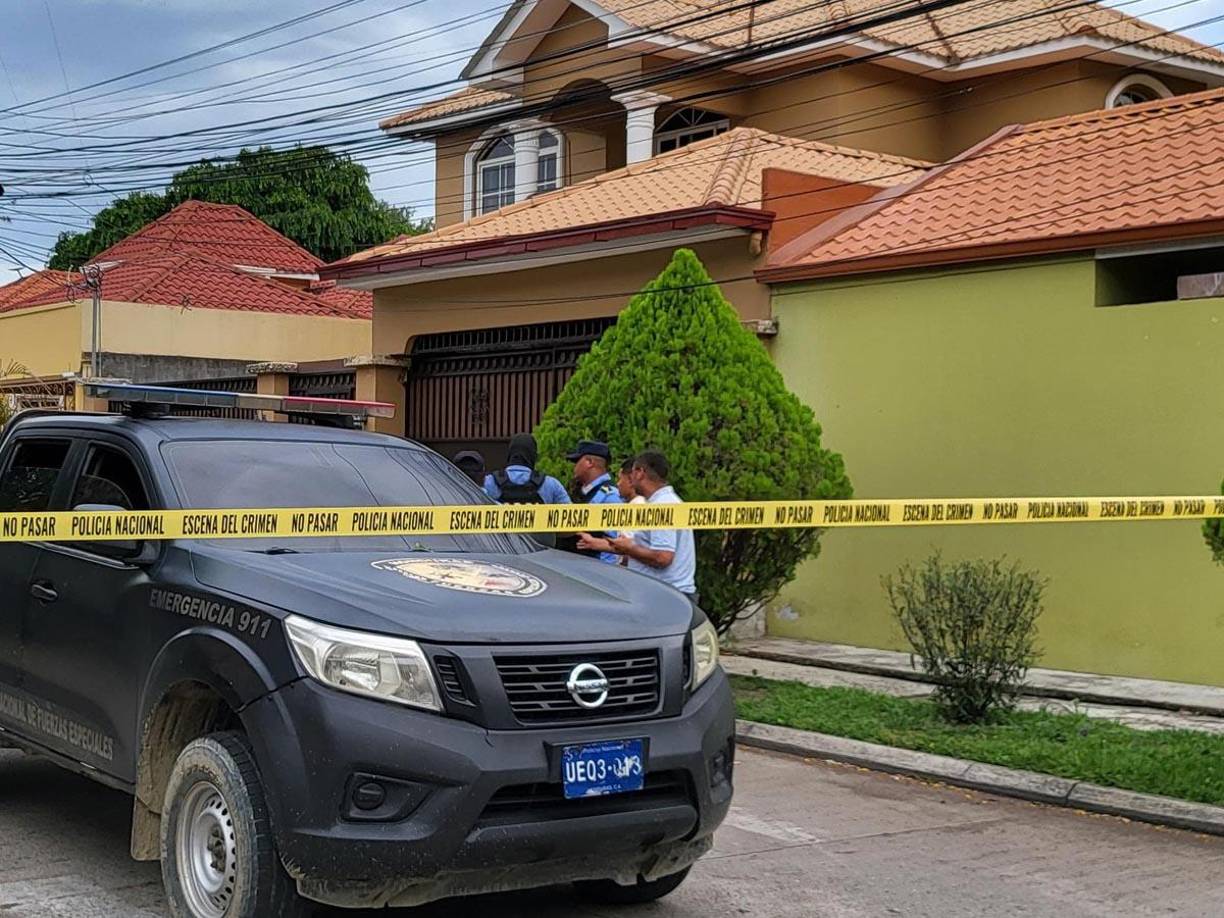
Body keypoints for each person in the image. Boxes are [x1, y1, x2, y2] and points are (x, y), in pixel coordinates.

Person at [578, 450, 697, 600]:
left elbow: (663, 557)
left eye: (633, 472)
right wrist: (598, 544)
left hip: (666, 597)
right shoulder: (659, 503)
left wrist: (629, 549)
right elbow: (645, 545)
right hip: (665, 594)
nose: (629, 478)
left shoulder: (661, 506)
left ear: (640, 472)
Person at [563, 440, 622, 563]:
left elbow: (615, 544)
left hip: (597, 571)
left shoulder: (610, 497)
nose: (574, 467)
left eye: (576, 461)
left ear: (589, 462)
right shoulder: (582, 492)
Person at [484, 433, 570, 504]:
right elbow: (570, 516)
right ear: (533, 456)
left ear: (510, 454)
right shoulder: (551, 484)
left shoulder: (489, 482)